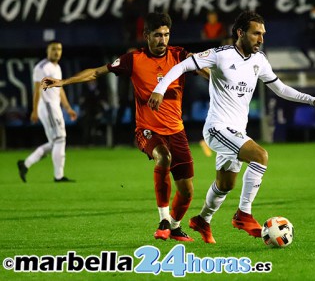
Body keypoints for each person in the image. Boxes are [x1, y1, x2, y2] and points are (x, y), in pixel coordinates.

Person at [148, 11, 315, 243]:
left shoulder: (259, 60)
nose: (261, 39)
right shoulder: (220, 55)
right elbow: (181, 66)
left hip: (237, 132)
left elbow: (281, 89)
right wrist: (160, 89)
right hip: (217, 128)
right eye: (256, 33)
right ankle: (243, 214)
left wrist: (313, 100)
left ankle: (202, 220)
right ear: (240, 32)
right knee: (260, 156)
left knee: (225, 184)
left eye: (263, 34)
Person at [42, 13, 209, 242]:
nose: (163, 40)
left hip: (176, 131)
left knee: (187, 191)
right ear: (146, 35)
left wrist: (218, 78)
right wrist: (63, 82)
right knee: (163, 157)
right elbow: (96, 72)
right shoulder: (133, 60)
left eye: (166, 35)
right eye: (158, 35)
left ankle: (175, 226)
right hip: (147, 130)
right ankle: (162, 219)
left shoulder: (179, 56)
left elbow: (204, 69)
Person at [17, 41, 77, 182]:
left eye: (59, 49)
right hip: (48, 106)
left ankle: (25, 164)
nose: (57, 52)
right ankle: (58, 176)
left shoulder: (57, 67)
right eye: (54, 49)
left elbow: (60, 88)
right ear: (47, 51)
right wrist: (34, 110)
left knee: (54, 143)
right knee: (60, 139)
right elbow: (37, 90)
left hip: (55, 106)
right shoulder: (41, 67)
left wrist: (67, 107)